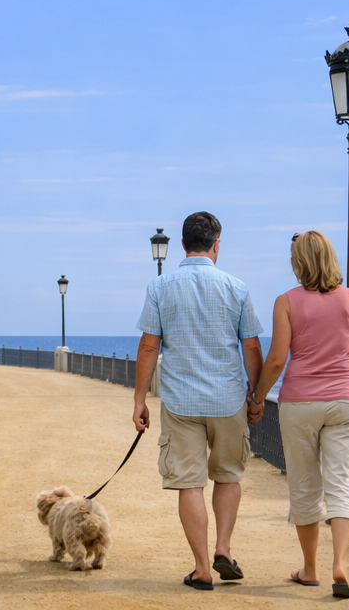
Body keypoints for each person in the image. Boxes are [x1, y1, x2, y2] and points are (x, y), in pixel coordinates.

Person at [133, 211, 264, 592]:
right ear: (216, 244)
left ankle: (203, 568)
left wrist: (139, 399)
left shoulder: (160, 287)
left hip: (180, 402)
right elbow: (251, 346)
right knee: (228, 475)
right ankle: (224, 548)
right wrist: (255, 397)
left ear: (183, 244)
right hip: (227, 399)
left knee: (190, 484)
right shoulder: (237, 288)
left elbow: (148, 346)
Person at [248, 230, 349, 600]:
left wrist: (257, 398)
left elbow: (277, 359)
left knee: (305, 486)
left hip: (300, 402)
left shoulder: (286, 301)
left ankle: (309, 569)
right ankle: (341, 564)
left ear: (298, 262)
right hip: (347, 401)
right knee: (342, 485)